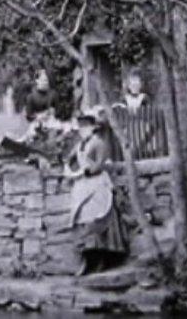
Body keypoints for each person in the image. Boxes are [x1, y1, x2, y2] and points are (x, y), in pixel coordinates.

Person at [65, 109, 128, 276]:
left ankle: (103, 259)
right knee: (82, 219)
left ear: (93, 128)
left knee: (98, 218)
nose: (82, 130)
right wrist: (67, 167)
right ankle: (88, 260)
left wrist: (84, 172)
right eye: (80, 127)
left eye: (85, 127)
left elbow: (99, 164)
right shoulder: (80, 145)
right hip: (83, 186)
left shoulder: (99, 143)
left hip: (98, 182)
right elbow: (70, 158)